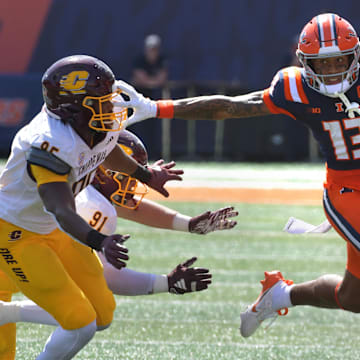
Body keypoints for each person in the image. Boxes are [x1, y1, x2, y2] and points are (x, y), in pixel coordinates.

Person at [115, 13, 360, 338]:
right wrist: (159, 108)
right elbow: (228, 106)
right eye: (322, 63)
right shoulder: (294, 88)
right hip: (347, 192)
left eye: (338, 61)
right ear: (305, 63)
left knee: (352, 298)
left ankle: (281, 294)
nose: (331, 71)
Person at [0, 54, 184, 359]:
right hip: (15, 233)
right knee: (80, 324)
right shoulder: (49, 142)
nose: (111, 106)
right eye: (100, 100)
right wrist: (101, 241)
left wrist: (145, 174)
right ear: (73, 108)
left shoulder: (93, 125)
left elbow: (105, 149)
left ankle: (7, 313)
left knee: (102, 314)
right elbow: (61, 209)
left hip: (52, 227)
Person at [0, 129, 235, 357]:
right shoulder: (91, 205)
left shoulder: (81, 186)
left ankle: (7, 312)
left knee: (93, 315)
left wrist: (188, 224)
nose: (133, 185)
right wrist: (166, 283)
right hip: (10, 258)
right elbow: (107, 276)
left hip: (14, 261)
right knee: (82, 318)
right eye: (128, 176)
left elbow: (129, 207)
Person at [132, 34, 168, 98]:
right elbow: (142, 80)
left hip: (158, 96)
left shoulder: (162, 61)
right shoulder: (139, 61)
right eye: (151, 49)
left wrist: (151, 82)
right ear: (146, 49)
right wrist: (154, 82)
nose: (153, 52)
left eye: (155, 49)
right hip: (140, 95)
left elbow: (162, 79)